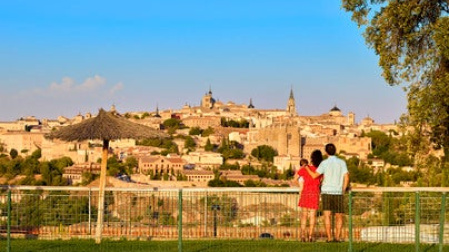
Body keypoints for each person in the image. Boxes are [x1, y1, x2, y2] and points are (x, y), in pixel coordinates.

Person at [305, 143, 349, 242]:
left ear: (326, 152)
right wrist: (343, 189)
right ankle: (337, 237)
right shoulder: (342, 162)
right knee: (339, 216)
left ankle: (329, 238)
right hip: (338, 192)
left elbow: (314, 176)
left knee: (327, 216)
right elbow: (346, 177)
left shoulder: (324, 163)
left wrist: (306, 167)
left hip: (327, 192)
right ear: (335, 151)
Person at [295, 150, 323, 242]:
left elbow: (295, 178)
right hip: (315, 192)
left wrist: (300, 185)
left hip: (305, 192)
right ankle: (311, 236)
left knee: (304, 216)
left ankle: (303, 236)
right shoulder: (320, 170)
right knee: (312, 216)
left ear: (311, 159)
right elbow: (321, 181)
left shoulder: (305, 169)